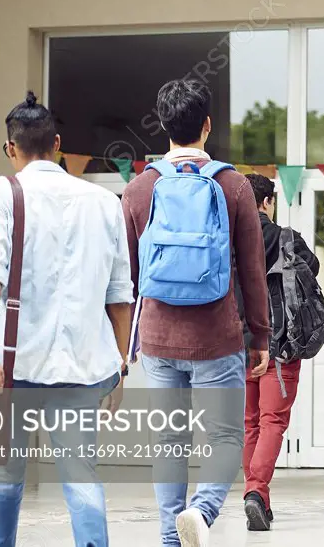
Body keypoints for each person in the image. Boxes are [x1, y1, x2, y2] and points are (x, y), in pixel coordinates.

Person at [0, 92, 133, 547]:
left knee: (4, 476)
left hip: (12, 366)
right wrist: (120, 365)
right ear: (58, 144)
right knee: (82, 477)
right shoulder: (104, 201)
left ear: (10, 149)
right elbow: (121, 297)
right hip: (83, 368)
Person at [122, 79, 270, 547]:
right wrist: (262, 337)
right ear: (207, 126)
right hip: (217, 337)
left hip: (159, 339)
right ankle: (202, 512)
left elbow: (126, 275)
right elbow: (252, 271)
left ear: (163, 125)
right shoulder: (234, 185)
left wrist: (123, 344)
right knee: (225, 436)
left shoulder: (140, 189)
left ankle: (171, 537)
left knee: (168, 442)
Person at [240, 173, 319, 531]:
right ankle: (256, 492)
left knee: (250, 423)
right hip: (281, 344)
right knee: (273, 421)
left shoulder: (226, 238)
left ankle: (257, 498)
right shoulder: (286, 238)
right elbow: (312, 271)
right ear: (268, 201)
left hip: (238, 346)